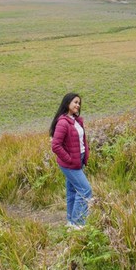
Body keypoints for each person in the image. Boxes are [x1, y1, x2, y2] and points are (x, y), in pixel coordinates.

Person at [49, 92, 92, 228]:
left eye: (79, 103)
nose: (78, 105)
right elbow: (56, 146)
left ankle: (70, 222)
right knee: (85, 191)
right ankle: (78, 225)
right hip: (70, 163)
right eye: (75, 102)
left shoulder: (75, 120)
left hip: (78, 160)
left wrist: (83, 155)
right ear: (67, 103)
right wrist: (69, 160)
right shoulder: (63, 122)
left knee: (73, 191)